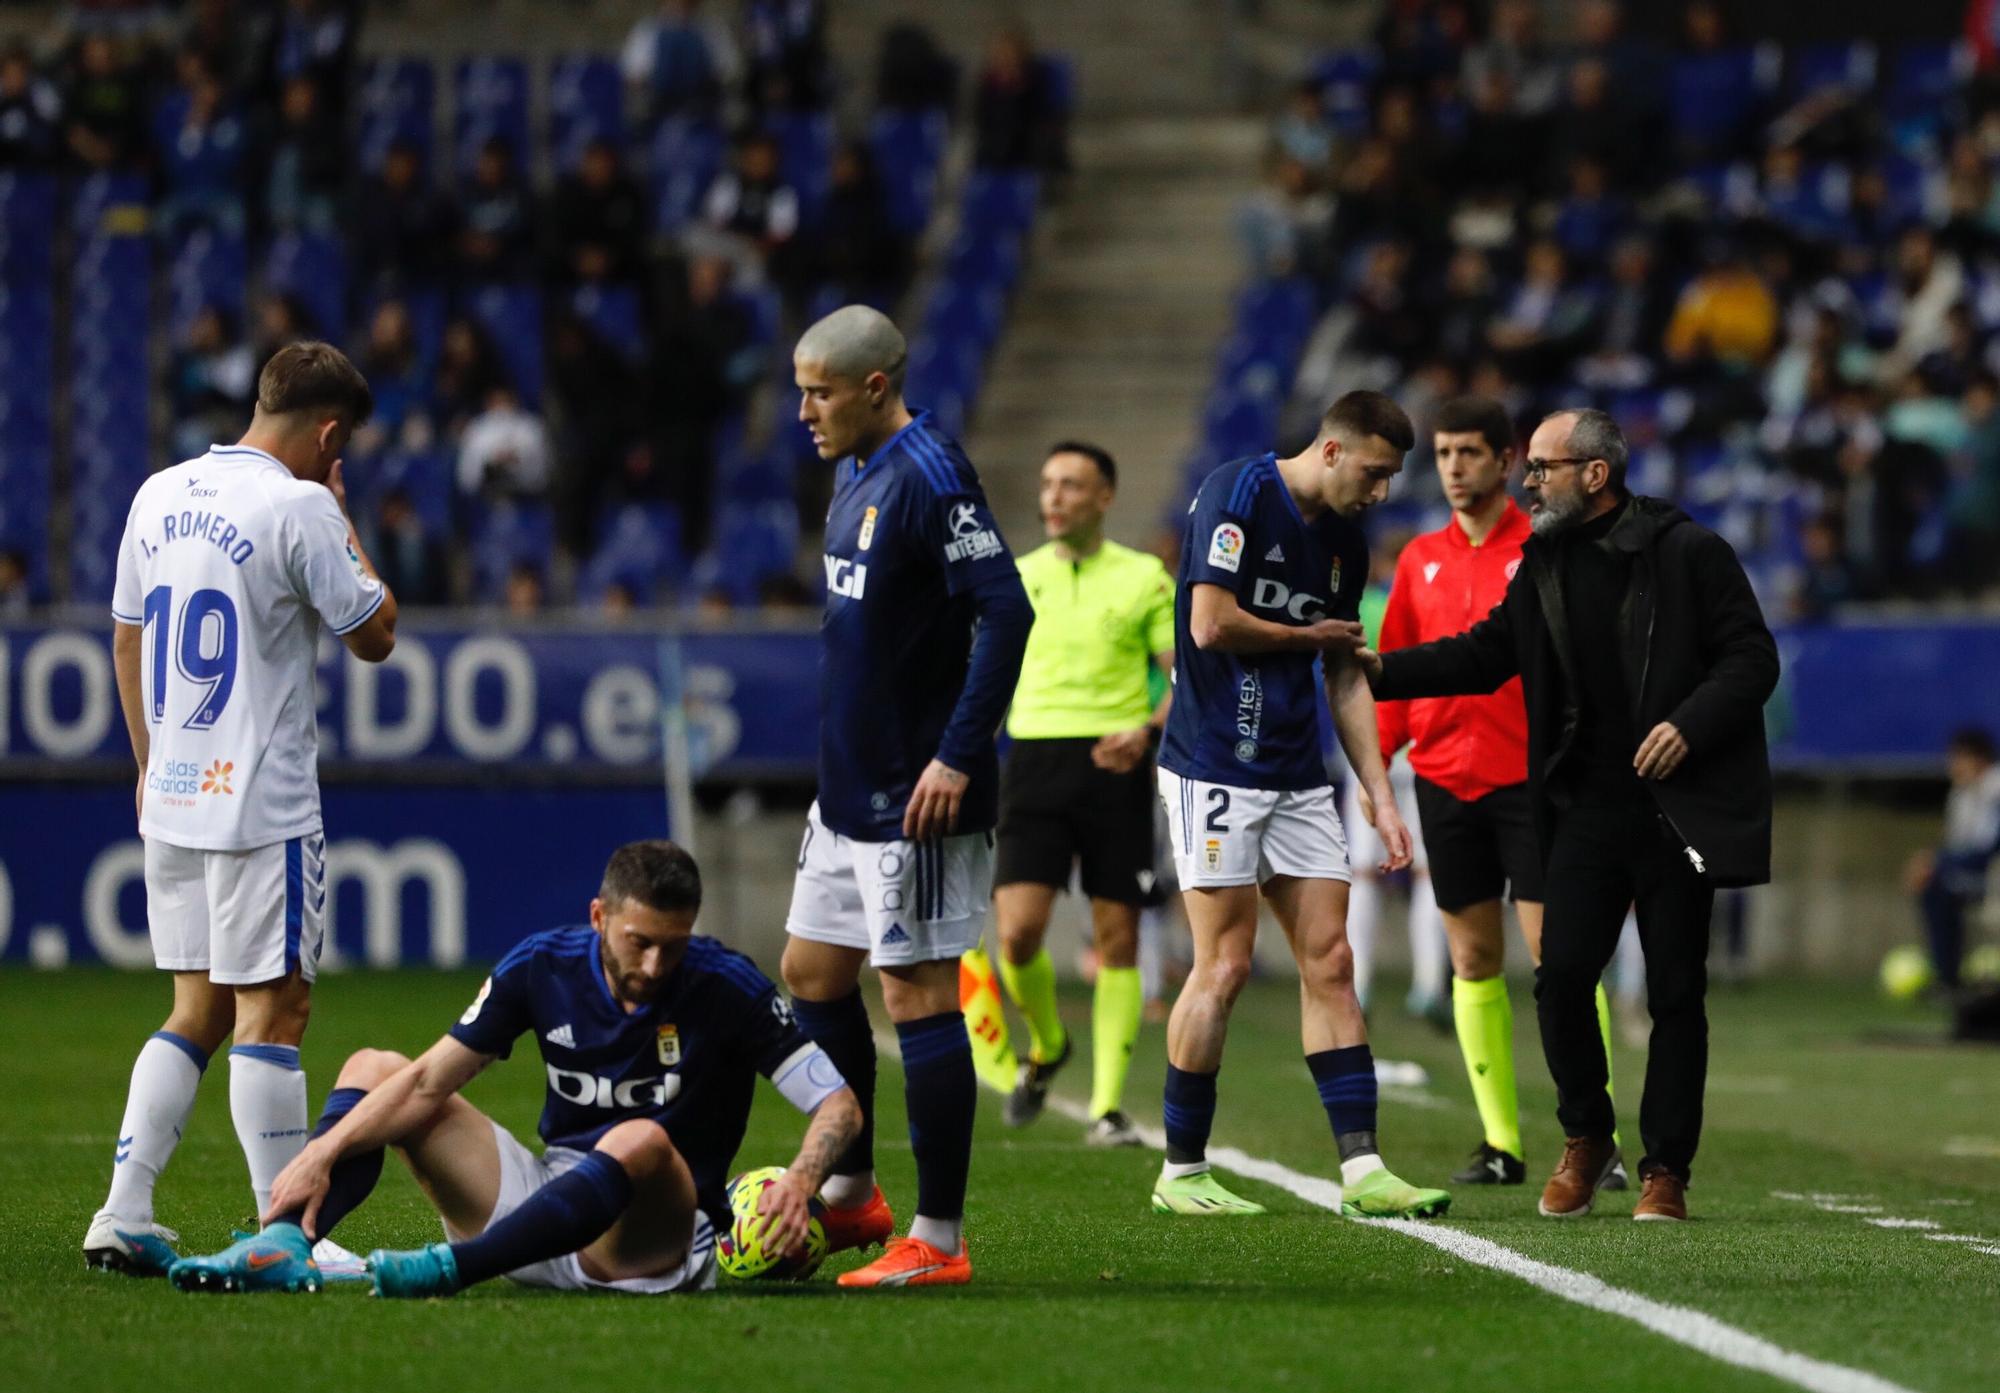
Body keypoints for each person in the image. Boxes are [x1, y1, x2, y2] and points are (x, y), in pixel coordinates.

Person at [1363, 408, 1778, 1222]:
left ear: (1596, 473)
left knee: (1675, 994)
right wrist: (1377, 671)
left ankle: (1666, 1170)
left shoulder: (1689, 552)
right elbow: (1485, 654)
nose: (1530, 480)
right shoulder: (1542, 562)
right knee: (1559, 982)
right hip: (1582, 806)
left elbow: (1751, 658)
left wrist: (1688, 724)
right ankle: (1586, 1136)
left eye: (1545, 466)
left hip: (1671, 811)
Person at [162, 841, 864, 1297]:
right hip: (540, 1205)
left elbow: (839, 1105)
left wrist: (802, 1181)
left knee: (641, 1139)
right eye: (639, 942)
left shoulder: (727, 985)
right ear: (598, 916)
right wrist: (324, 1148)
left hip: (645, 1249)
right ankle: (286, 1242)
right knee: (377, 1066)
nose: (655, 965)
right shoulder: (542, 964)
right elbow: (430, 1080)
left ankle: (450, 1270)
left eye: (672, 947)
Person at [86, 342, 397, 1276]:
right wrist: (343, 515)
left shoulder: (159, 491)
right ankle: (286, 1233)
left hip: (174, 792)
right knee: (276, 1012)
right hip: (261, 801)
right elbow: (376, 633)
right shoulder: (301, 504)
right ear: (329, 431)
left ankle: (124, 1209)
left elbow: (126, 638)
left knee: (197, 1008)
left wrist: (148, 764)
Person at [1149, 390, 1450, 1221]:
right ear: (1332, 451)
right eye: (1377, 472)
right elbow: (1209, 625)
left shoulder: (1345, 546)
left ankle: (1365, 1171)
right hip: (1213, 766)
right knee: (1226, 965)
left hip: (1295, 774)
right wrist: (1307, 638)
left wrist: (1380, 793)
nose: (1382, 492)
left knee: (1332, 962)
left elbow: (1346, 671)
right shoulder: (1236, 494)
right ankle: (1182, 1170)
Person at [779, 305, 1033, 1286]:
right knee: (810, 973)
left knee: (914, 990)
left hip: (913, 796)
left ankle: (938, 1236)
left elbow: (1006, 613)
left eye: (820, 391)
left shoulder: (930, 475)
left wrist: (959, 755)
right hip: (845, 791)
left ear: (875, 387)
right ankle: (851, 1194)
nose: (804, 410)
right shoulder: (851, 470)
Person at [1371, 397, 1627, 1189]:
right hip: (1446, 778)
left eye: (1468, 453)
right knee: (1471, 957)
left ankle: (1597, 1132)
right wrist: (1379, 772)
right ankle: (1501, 1140)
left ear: (1507, 459)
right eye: (1443, 453)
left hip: (1535, 779)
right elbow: (1393, 666)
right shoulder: (1418, 559)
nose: (1452, 467)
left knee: (1562, 956)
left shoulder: (1547, 548)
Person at [986, 441, 1175, 1146]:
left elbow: (1180, 676)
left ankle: (1105, 1105)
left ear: (1104, 497)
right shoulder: (1015, 577)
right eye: (1047, 483)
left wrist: (1146, 730)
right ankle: (1047, 1041)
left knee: (1117, 938)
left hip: (1114, 762)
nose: (1054, 496)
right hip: (1033, 760)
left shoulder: (1145, 577)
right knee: (1016, 934)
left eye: (1070, 484)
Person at [1904, 728, 2000, 990]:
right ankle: (1947, 978)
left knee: (1938, 877)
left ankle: (1949, 978)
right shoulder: (1960, 796)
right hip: (1980, 877)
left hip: (1993, 876)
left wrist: (1936, 861)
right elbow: (1959, 847)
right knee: (1936, 885)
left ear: (1978, 759)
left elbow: (1987, 848)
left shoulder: (1995, 788)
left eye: (1958, 758)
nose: (1953, 765)